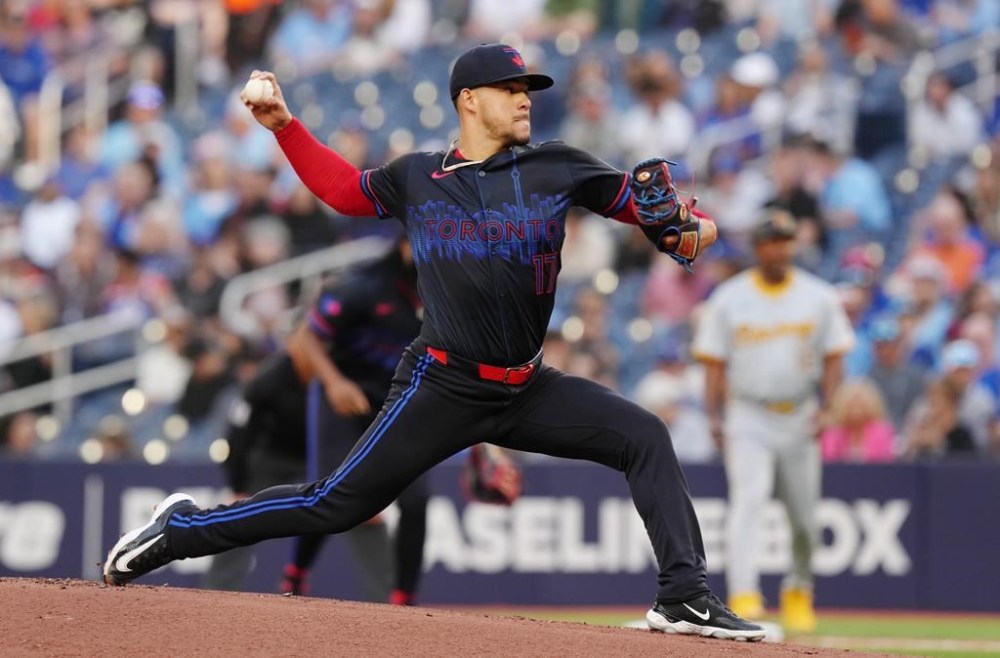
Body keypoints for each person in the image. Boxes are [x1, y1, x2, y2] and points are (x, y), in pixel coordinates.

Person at [103, 43, 764, 642]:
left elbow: (664, 218)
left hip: (528, 386)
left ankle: (684, 596)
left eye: (528, 87)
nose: (525, 97)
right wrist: (283, 125)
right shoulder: (418, 177)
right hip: (441, 385)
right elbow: (342, 190)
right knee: (336, 504)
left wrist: (692, 228)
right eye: (511, 87)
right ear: (469, 100)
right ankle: (181, 528)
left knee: (642, 434)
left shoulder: (558, 166)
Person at [203, 236, 430, 606]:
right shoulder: (275, 377)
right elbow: (242, 424)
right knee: (247, 508)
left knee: (361, 510)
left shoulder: (377, 361)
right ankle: (216, 594)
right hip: (273, 460)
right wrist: (237, 482)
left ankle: (392, 603)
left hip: (340, 444)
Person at [692, 209, 855, 633]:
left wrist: (828, 406)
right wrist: (714, 415)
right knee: (750, 498)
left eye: (785, 240)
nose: (779, 248)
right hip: (748, 412)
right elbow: (714, 364)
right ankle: (745, 592)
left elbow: (835, 356)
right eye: (771, 241)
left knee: (804, 515)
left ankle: (799, 590)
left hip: (800, 412)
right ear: (758, 247)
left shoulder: (819, 296)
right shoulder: (729, 297)